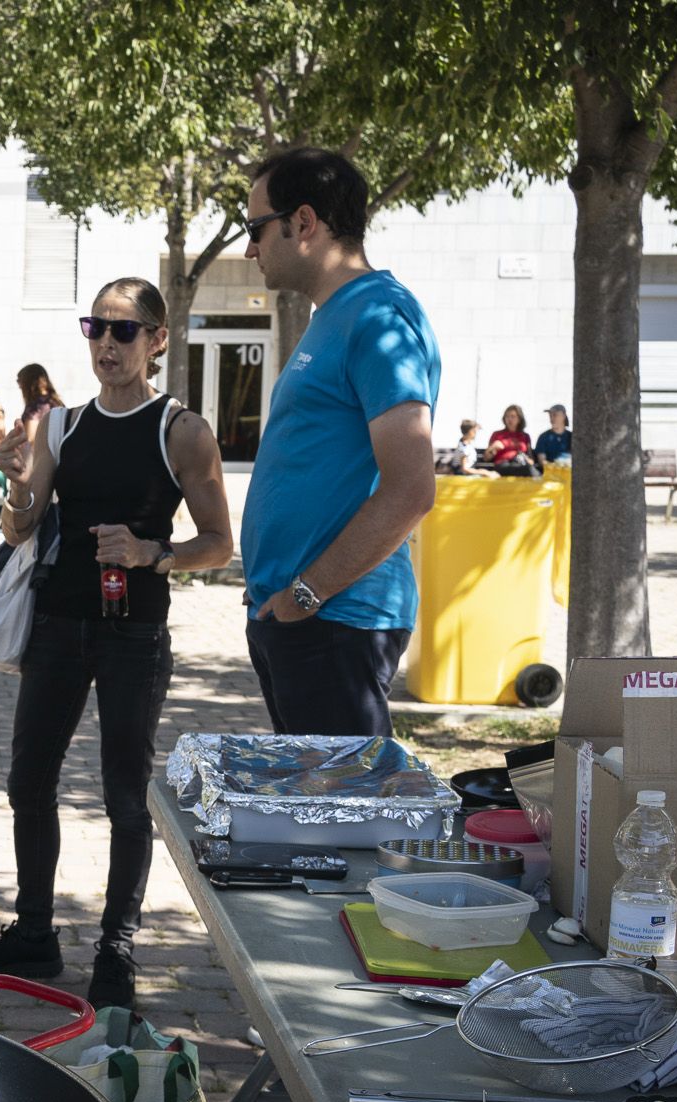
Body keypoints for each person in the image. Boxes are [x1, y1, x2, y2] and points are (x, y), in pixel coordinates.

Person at [0, 279, 233, 1007]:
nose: (107, 342)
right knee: (27, 782)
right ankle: (35, 932)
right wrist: (16, 486)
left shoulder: (181, 430)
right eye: (95, 327)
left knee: (125, 797)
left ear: (157, 339)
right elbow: (19, 528)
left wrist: (151, 552)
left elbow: (220, 545)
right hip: (58, 625)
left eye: (125, 330)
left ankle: (117, 942)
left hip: (135, 635)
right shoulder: (61, 426)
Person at [239, 147, 438, 738]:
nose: (250, 249)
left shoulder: (378, 318)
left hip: (335, 621)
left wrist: (305, 594)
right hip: (307, 621)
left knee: (350, 825)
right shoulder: (336, 316)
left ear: (303, 223)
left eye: (256, 229)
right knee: (317, 823)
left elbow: (410, 490)